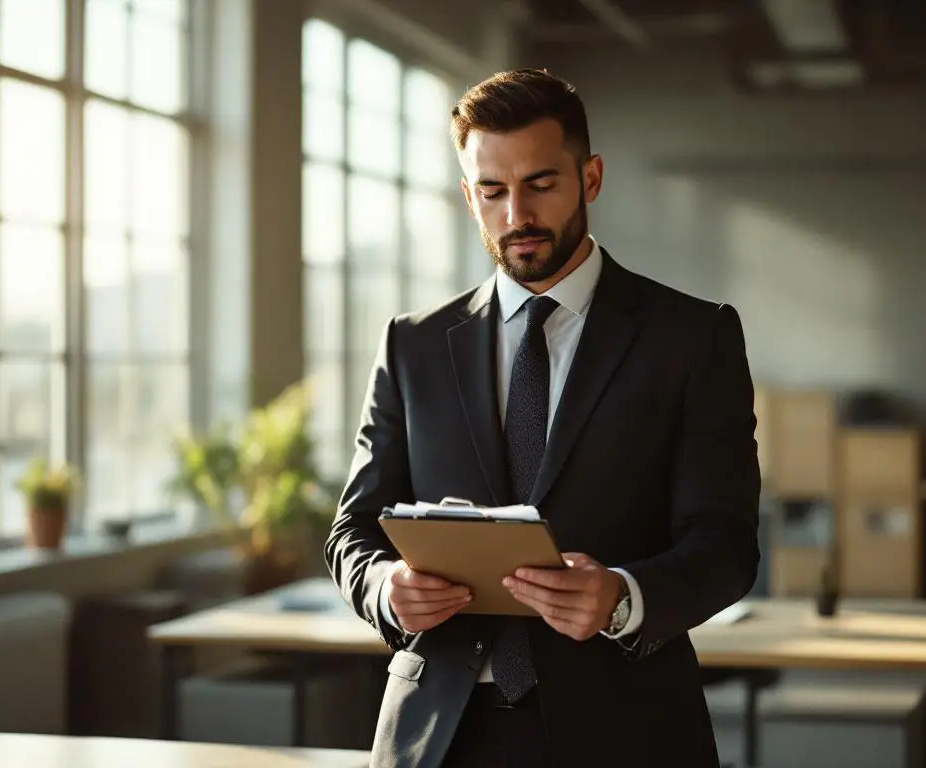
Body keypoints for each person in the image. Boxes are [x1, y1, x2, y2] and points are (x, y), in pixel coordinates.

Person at [325, 68, 761, 767]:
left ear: (590, 178)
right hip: (441, 733)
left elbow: (727, 545)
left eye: (541, 184)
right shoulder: (413, 344)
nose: (516, 215)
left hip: (628, 729)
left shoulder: (691, 338)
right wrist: (384, 589)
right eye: (492, 192)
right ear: (470, 197)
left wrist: (623, 597)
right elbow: (352, 528)